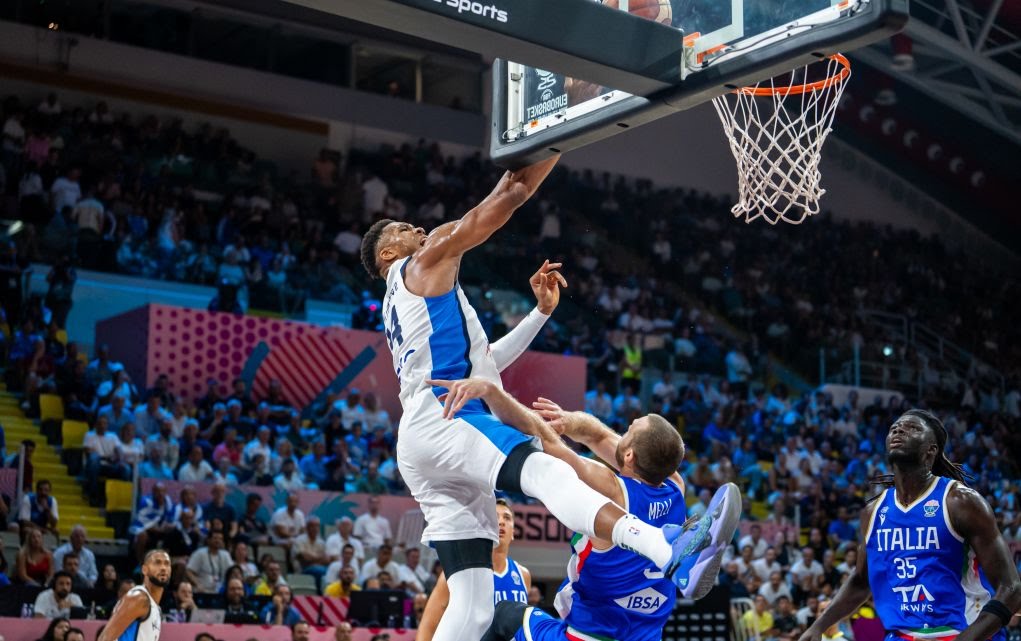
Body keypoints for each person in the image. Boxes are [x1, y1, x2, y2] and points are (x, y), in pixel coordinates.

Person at [359, 155, 734, 641]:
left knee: (473, 607)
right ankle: (669, 552)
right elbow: (501, 202)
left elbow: (485, 363)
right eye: (405, 229)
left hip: (422, 439)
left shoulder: (407, 299)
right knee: (547, 469)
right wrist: (554, 141)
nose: (419, 228)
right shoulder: (422, 262)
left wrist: (538, 314)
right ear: (389, 255)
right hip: (448, 419)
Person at [452, 384, 738, 641]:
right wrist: (569, 420)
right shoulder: (676, 486)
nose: (623, 431)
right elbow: (599, 435)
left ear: (629, 456)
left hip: (589, 635)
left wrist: (493, 393)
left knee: (505, 615)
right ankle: (692, 549)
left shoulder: (612, 490)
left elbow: (543, 439)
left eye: (629, 430)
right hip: (645, 635)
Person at [800, 410, 1021, 641]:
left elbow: (1012, 589)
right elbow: (861, 581)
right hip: (903, 635)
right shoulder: (873, 511)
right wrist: (819, 626)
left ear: (931, 450)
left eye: (913, 428)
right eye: (894, 428)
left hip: (966, 632)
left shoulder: (960, 502)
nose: (899, 430)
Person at [419, 499, 531, 641]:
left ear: (513, 532)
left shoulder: (523, 575)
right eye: (495, 517)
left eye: (507, 518)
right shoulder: (460, 571)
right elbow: (429, 625)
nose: (501, 522)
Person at [97, 549, 170, 641]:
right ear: (144, 570)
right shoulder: (138, 598)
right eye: (157, 563)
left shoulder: (156, 608)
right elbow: (104, 638)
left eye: (167, 563)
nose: (163, 567)